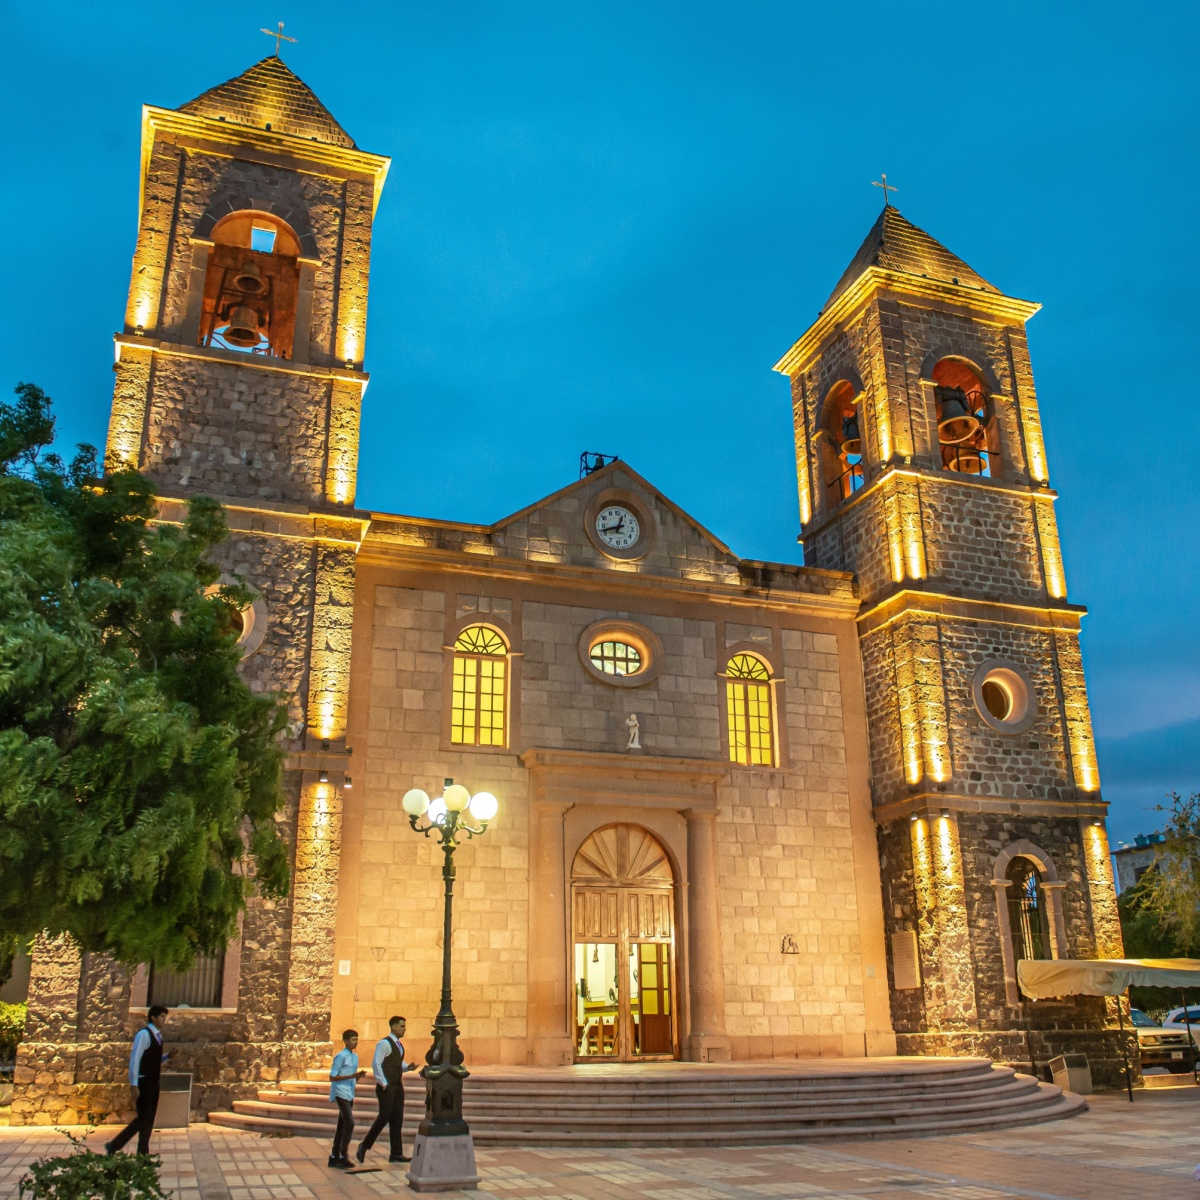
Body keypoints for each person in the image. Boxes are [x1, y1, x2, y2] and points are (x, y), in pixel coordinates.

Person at [105, 1004, 169, 1157]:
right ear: (153, 1018)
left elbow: (152, 1059)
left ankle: (142, 1152)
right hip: (144, 1081)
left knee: (149, 1118)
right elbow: (136, 1059)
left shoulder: (158, 1036)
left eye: (164, 1017)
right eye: (161, 1016)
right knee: (143, 1118)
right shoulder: (144, 1035)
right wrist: (134, 1084)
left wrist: (167, 1057)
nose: (164, 1020)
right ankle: (115, 1144)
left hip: (153, 1081)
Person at [356, 1015, 417, 1164]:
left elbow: (396, 1062)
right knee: (384, 1117)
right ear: (394, 1026)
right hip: (387, 1087)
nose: (404, 1029)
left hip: (397, 1085)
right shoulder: (384, 1043)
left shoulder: (398, 1045)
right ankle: (364, 1145)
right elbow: (376, 1064)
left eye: (404, 1026)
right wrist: (383, 1083)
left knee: (397, 1119)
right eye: (402, 1026)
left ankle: (396, 1154)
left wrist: (407, 1067)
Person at [328, 1028, 365, 1169]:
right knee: (350, 1123)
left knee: (342, 1125)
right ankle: (343, 1155)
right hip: (340, 1092)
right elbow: (332, 1077)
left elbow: (351, 1074)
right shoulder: (340, 1056)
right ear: (345, 1041)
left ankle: (334, 1156)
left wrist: (357, 1076)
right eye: (352, 1039)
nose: (355, 1042)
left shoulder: (354, 1057)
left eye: (356, 1039)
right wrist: (352, 1076)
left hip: (349, 1092)